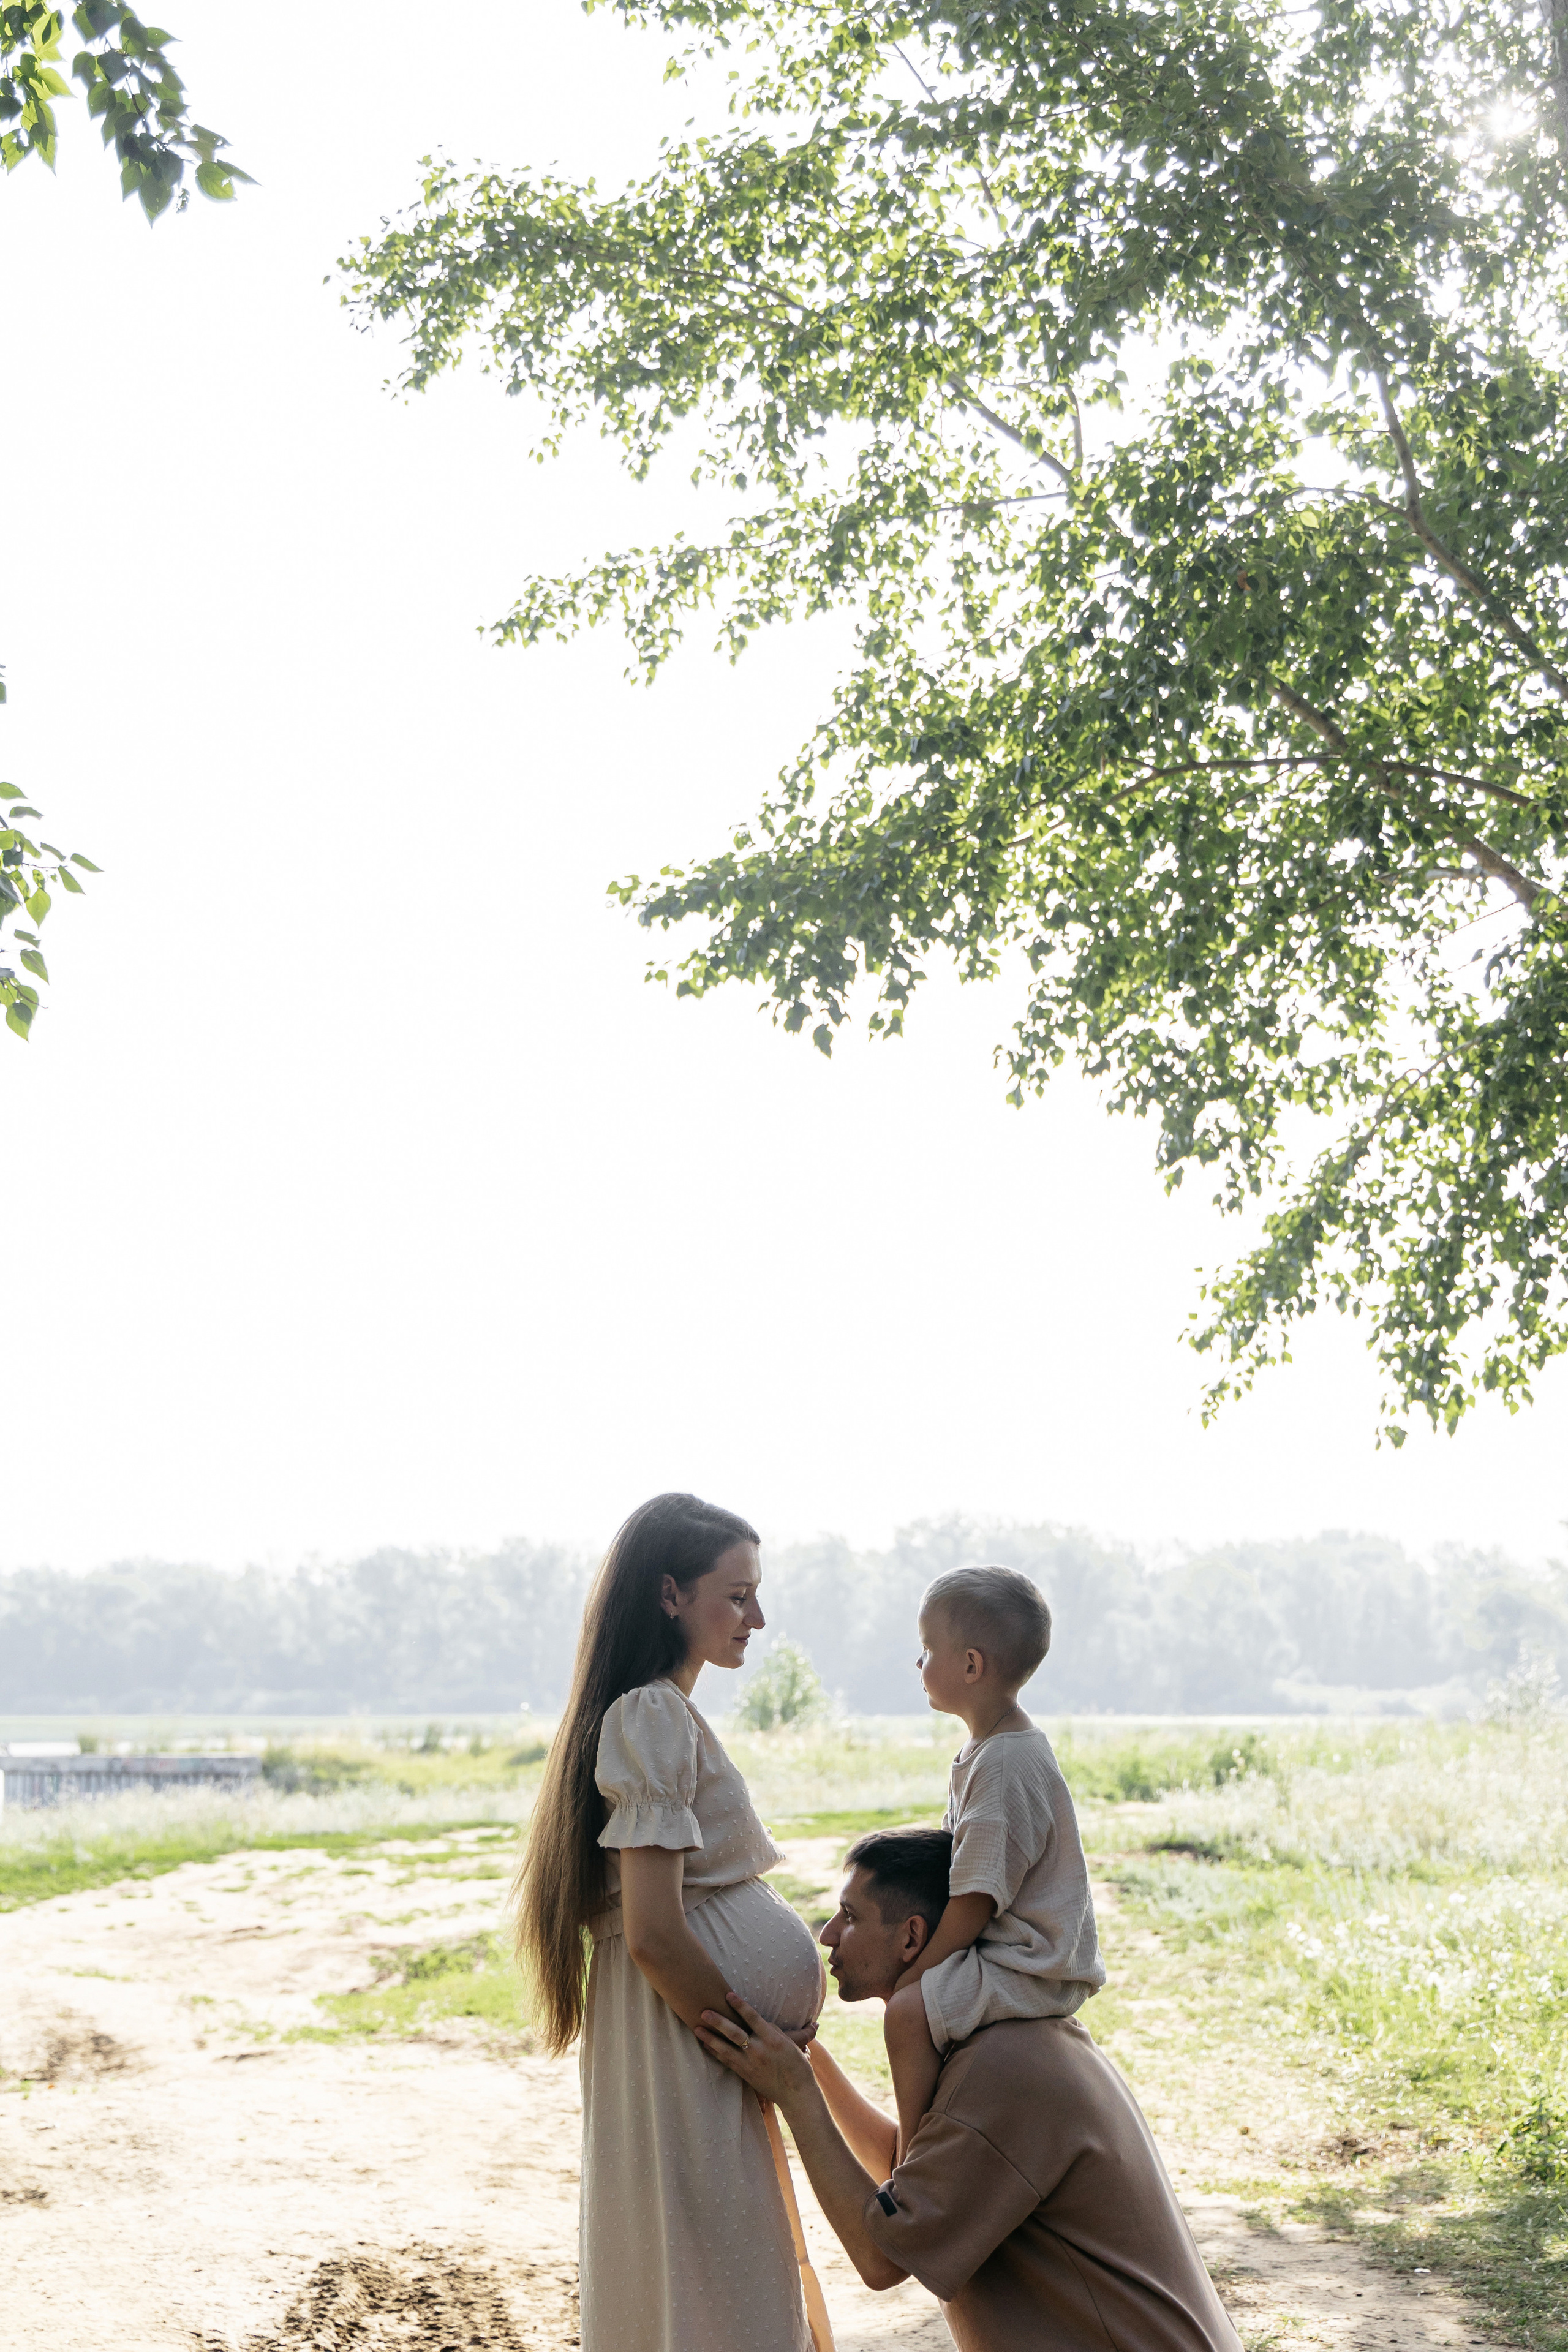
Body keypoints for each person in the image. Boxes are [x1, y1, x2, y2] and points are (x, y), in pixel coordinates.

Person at [696, 1827, 1245, 2352]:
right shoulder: (1009, 2036)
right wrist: (807, 2064)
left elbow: (883, 2256)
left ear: (911, 1937)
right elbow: (915, 2175)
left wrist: (798, 2095)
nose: (828, 1935)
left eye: (850, 1916)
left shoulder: (1003, 2070)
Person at [514, 1493, 831, 2352]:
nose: (757, 1618)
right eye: (736, 1596)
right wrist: (755, 2044)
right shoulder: (652, 1715)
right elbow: (654, 1931)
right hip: (686, 2060)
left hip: (684, 2053)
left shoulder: (654, 1717)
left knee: (697, 2296)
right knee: (723, 2305)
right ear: (669, 1596)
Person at [883, 1565, 1104, 2153]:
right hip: (1009, 1953)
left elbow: (974, 1902)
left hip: (1031, 1966)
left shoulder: (1005, 1764)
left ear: (971, 1665)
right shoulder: (990, 1748)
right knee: (913, 1997)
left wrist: (917, 1974)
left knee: (907, 2013)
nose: (919, 1663)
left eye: (928, 1649)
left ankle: (916, 2155)